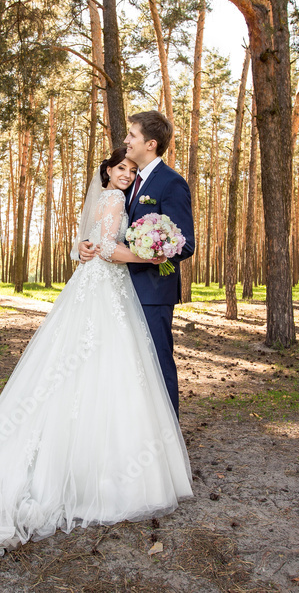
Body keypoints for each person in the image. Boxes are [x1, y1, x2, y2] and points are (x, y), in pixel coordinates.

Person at [0, 147, 193, 566]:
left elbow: (90, 242)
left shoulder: (121, 198)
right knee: (102, 363)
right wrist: (150, 253)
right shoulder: (111, 198)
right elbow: (106, 248)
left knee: (107, 366)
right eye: (120, 168)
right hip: (104, 289)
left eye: (130, 167)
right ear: (107, 171)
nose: (126, 174)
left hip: (109, 290)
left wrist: (95, 247)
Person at [79, 111, 195, 418]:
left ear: (151, 144)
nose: (126, 140)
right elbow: (106, 227)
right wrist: (85, 244)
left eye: (132, 135)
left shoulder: (171, 184)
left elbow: (186, 243)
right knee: (129, 370)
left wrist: (154, 251)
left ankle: (167, 440)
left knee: (157, 365)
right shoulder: (129, 182)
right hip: (119, 290)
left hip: (152, 294)